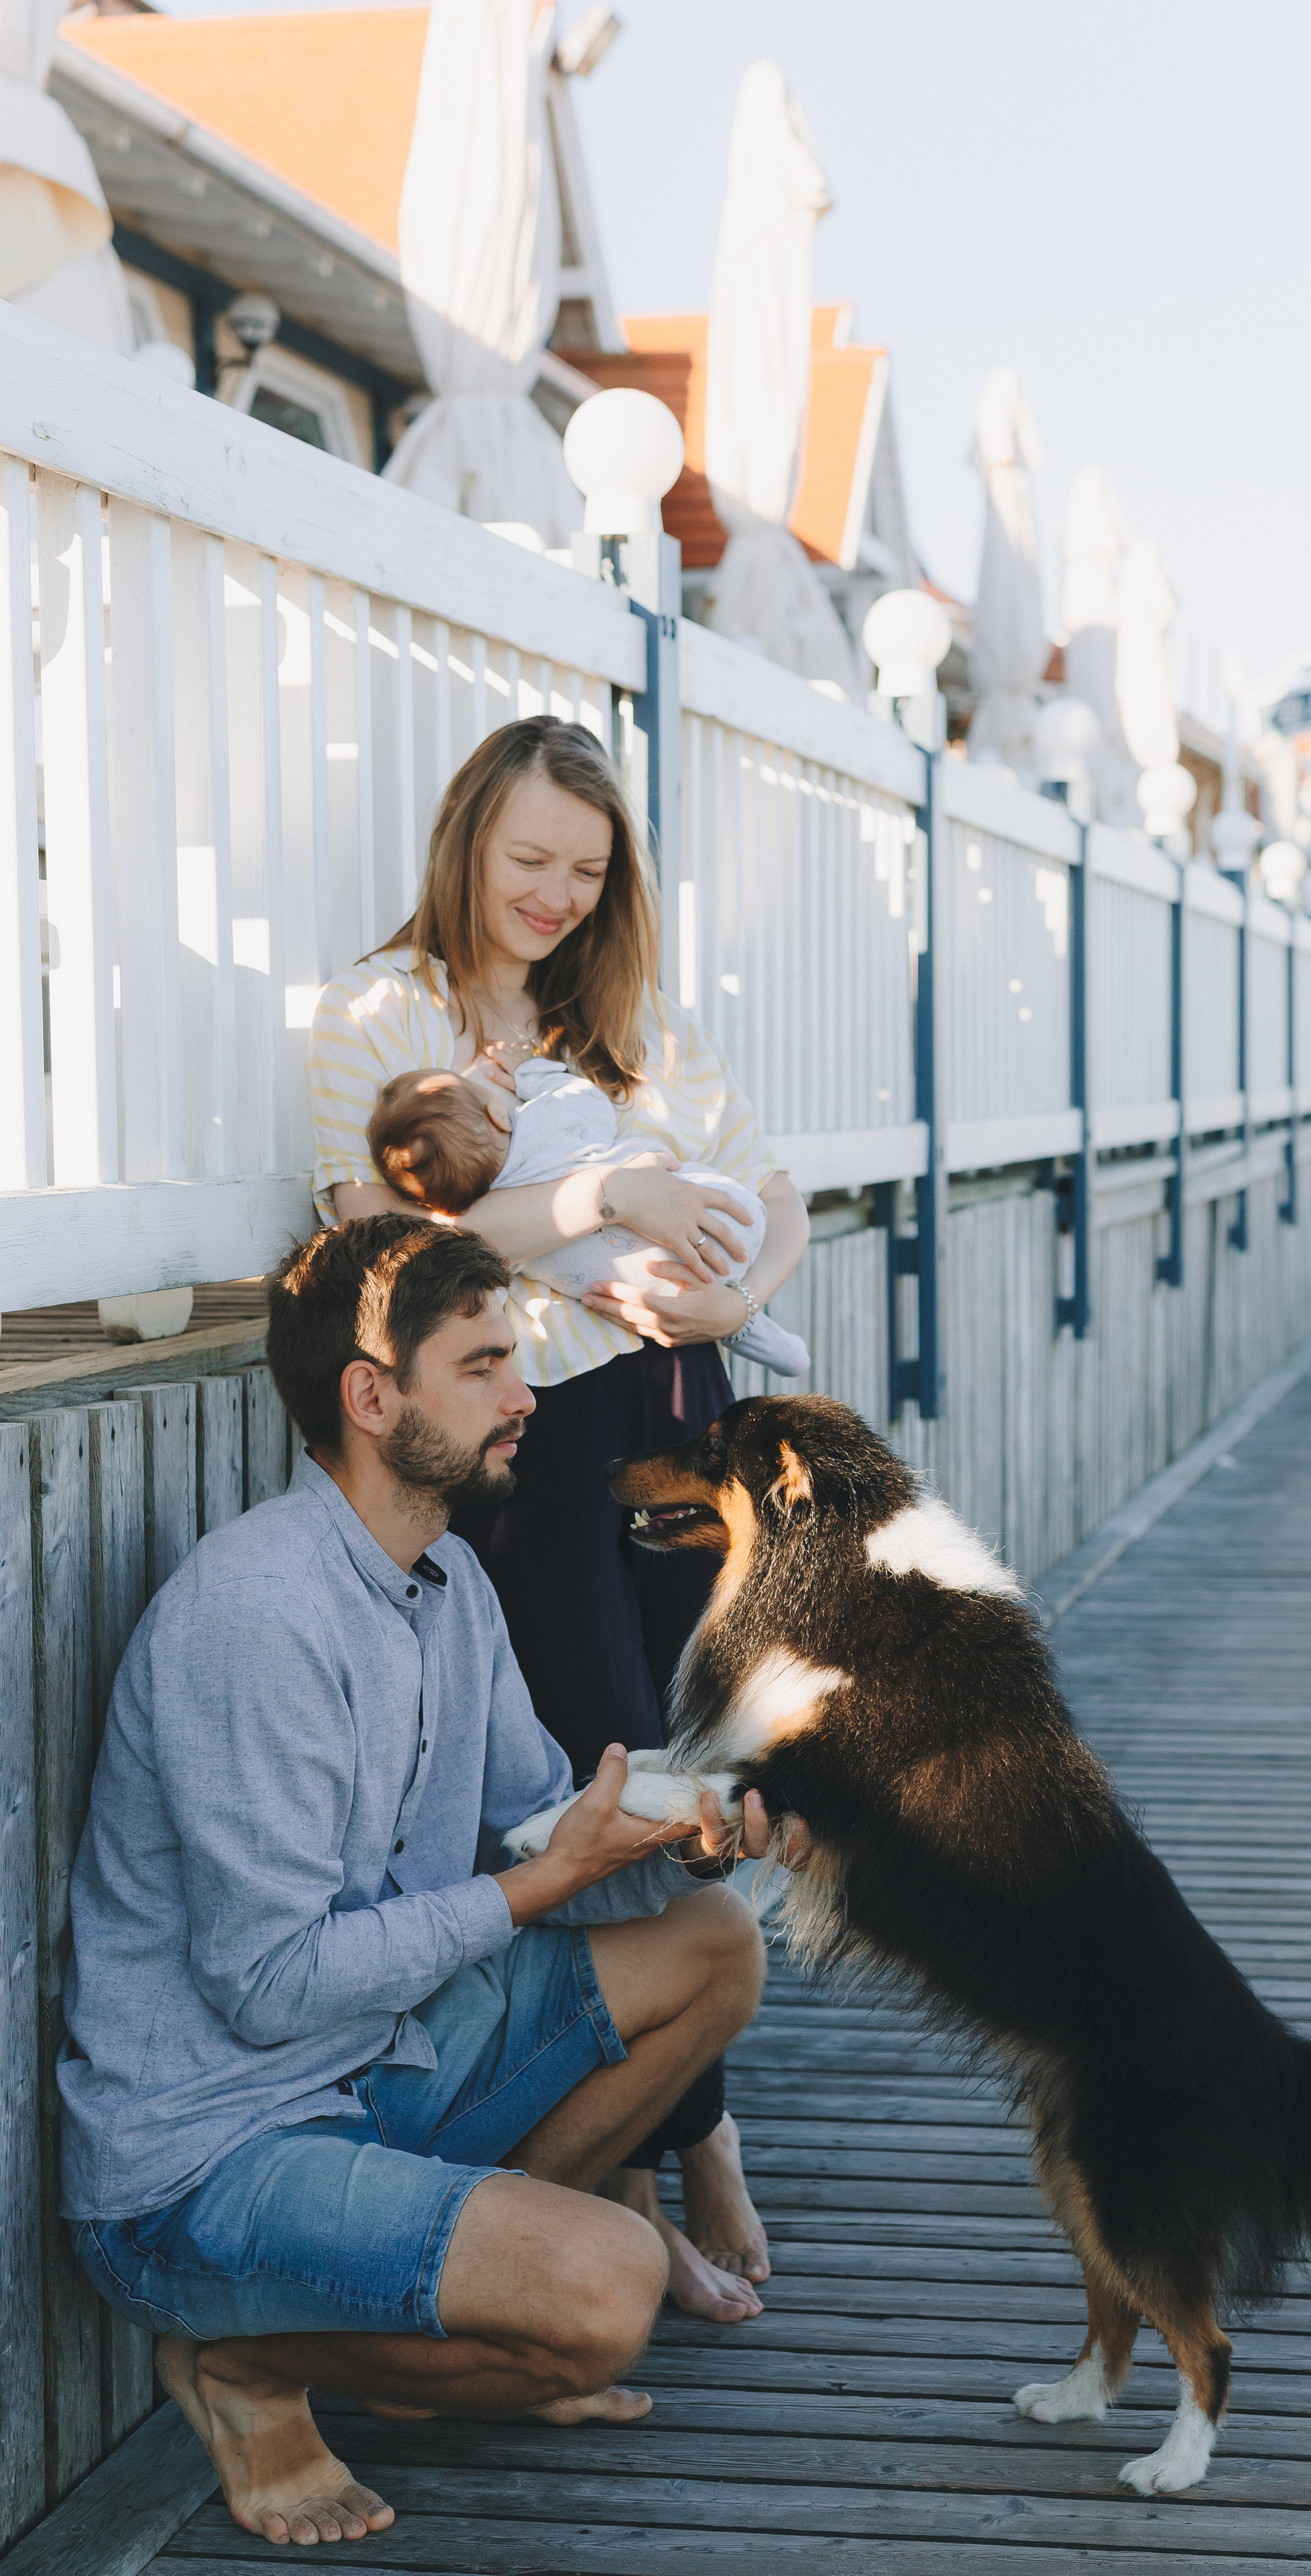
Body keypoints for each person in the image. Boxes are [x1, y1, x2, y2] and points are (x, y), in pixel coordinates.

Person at [59, 1216, 775, 2549]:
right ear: (370, 1396)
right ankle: (250, 2367)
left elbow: (529, 1835)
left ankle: (448, 2304)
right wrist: (530, 1890)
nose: (526, 1399)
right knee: (611, 2297)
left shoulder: (446, 1578)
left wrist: (666, 1842)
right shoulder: (256, 1618)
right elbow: (269, 1986)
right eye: (487, 1367)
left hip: (371, 2061)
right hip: (208, 2158)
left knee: (713, 1939)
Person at [308, 716, 809, 2320]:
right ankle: (673, 2152)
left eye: (584, 870)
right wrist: (604, 1199)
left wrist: (741, 1276)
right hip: (535, 1426)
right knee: (605, 1775)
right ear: (466, 839)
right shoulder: (380, 1014)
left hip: (689, 1414)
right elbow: (386, 1227)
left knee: (707, 1770)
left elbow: (769, 1178)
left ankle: (678, 2132)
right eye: (527, 858)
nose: (553, 894)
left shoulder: (627, 1018)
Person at [365, 1058, 810, 1377]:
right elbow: (587, 1099)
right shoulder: (548, 1121)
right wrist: (532, 1073)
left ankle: (766, 1339)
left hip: (658, 1293)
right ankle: (759, 1329)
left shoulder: (500, 1224)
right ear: (496, 1113)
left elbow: (479, 1266)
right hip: (726, 1222)